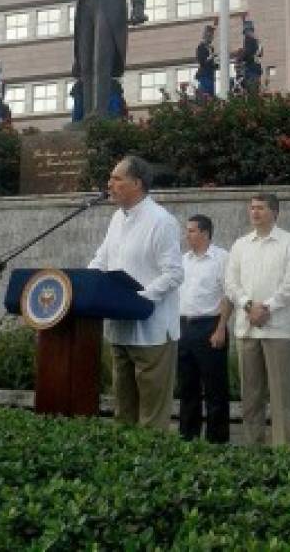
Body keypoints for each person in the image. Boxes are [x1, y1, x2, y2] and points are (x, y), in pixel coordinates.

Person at [87, 155, 183, 430]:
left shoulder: (161, 221)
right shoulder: (117, 218)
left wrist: (138, 299)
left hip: (151, 331)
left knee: (151, 416)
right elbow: (101, 259)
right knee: (123, 412)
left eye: (117, 179)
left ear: (137, 184)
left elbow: (175, 273)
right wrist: (84, 283)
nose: (110, 184)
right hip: (121, 329)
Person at [225, 193, 290, 447]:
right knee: (250, 395)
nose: (254, 212)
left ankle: (284, 451)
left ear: (274, 212)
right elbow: (230, 282)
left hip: (279, 329)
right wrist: (249, 305)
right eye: (252, 208)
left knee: (282, 396)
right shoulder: (240, 245)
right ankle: (252, 448)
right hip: (247, 329)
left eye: (260, 208)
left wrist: (266, 307)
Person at [178, 215, 232, 443]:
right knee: (187, 388)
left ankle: (216, 442)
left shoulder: (221, 259)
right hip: (184, 327)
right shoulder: (183, 260)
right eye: (187, 231)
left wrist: (220, 329)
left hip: (210, 326)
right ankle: (187, 438)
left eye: (191, 231)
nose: (187, 235)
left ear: (205, 233)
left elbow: (229, 295)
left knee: (215, 389)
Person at [195, 24, 218, 97]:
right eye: (210, 35)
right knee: (206, 93)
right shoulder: (201, 47)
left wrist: (215, 64)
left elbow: (211, 62)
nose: (212, 37)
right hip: (204, 74)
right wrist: (210, 58)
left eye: (212, 35)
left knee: (210, 93)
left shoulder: (211, 48)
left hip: (210, 74)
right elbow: (201, 61)